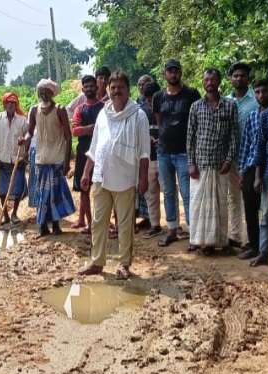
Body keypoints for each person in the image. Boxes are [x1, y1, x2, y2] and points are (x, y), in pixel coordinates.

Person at [78, 71, 151, 279]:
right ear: (108, 90)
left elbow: (144, 153)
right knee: (98, 222)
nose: (116, 91)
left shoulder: (138, 116)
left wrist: (143, 179)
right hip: (101, 177)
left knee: (125, 225)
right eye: (113, 87)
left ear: (128, 90)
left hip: (126, 179)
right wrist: (86, 172)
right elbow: (95, 147)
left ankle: (124, 264)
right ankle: (97, 261)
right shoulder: (103, 114)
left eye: (120, 87)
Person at [186, 68, 239, 255]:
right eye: (206, 79)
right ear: (203, 82)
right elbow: (190, 136)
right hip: (200, 164)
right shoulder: (196, 107)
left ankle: (220, 242)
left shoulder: (230, 106)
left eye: (213, 79)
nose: (209, 83)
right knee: (199, 205)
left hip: (221, 165)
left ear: (219, 82)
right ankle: (203, 243)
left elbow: (234, 136)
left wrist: (228, 159)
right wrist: (191, 163)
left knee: (219, 204)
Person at [154, 59, 202, 247]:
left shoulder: (191, 94)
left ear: (180, 73)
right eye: (170, 71)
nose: (173, 74)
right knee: (168, 192)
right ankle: (172, 229)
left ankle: (194, 233)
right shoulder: (159, 97)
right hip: (164, 152)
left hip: (185, 152)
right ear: (165, 74)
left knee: (187, 193)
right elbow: (159, 121)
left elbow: (197, 119)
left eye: (176, 71)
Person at [240, 78, 268, 267]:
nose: (261, 95)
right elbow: (247, 144)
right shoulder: (252, 116)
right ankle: (256, 246)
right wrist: (243, 171)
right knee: (252, 208)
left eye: (264, 91)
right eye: (257, 92)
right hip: (253, 166)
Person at [24, 79, 75, 237]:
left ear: (52, 93)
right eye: (41, 91)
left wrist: (67, 163)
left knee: (54, 194)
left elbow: (68, 137)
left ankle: (55, 225)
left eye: (47, 91)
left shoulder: (59, 110)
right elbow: (29, 132)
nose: (44, 94)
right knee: (42, 194)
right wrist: (24, 143)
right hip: (40, 158)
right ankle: (43, 227)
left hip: (57, 158)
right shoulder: (34, 110)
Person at [225, 62, 256, 250]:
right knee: (233, 198)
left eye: (242, 76)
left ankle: (252, 240)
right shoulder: (226, 101)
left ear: (248, 78)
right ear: (230, 79)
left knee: (251, 199)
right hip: (231, 157)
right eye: (235, 76)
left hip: (250, 158)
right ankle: (235, 236)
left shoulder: (255, 100)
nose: (238, 78)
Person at [70, 75, 105, 234]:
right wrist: (91, 128)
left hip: (102, 153)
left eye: (92, 86)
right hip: (84, 153)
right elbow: (74, 131)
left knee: (105, 189)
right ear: (83, 89)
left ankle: (105, 223)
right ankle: (90, 224)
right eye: (86, 87)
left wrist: (86, 129)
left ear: (96, 88)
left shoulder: (104, 108)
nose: (89, 89)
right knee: (84, 190)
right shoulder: (80, 109)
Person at [0, 92, 29, 224]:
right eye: (8, 102)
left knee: (17, 190)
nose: (11, 105)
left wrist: (24, 144)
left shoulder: (23, 120)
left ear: (16, 104)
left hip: (17, 160)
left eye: (13, 103)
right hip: (3, 160)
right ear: (4, 104)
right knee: (2, 191)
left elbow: (29, 137)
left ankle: (14, 214)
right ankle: (5, 215)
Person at [139, 81, 163, 238]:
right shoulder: (141, 113)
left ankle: (174, 226)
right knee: (151, 192)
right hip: (150, 157)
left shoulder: (165, 108)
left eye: (152, 98)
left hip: (164, 156)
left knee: (168, 192)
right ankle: (155, 224)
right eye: (148, 99)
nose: (150, 102)